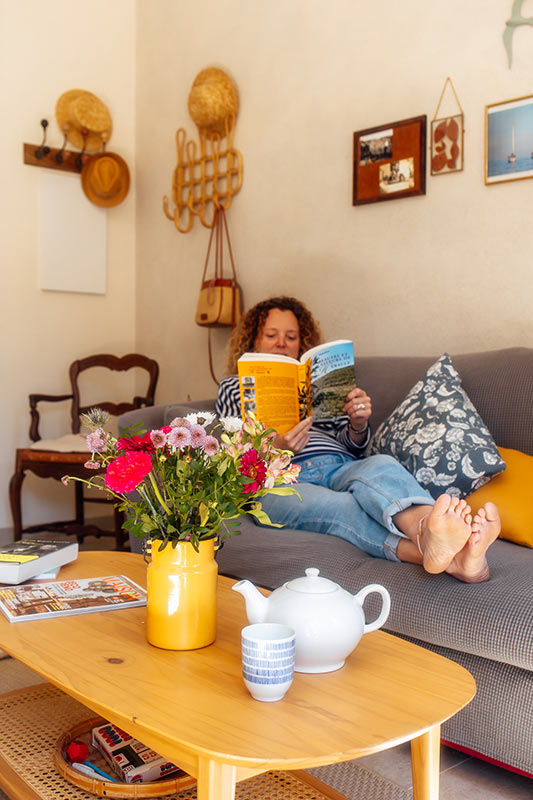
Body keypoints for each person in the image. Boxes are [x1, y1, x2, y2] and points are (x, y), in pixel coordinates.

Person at [217, 296, 501, 583]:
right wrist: (276, 446)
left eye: (291, 337)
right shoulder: (232, 387)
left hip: (339, 464)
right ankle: (456, 559)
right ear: (254, 340)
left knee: (381, 465)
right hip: (280, 481)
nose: (281, 343)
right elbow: (232, 451)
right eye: (271, 335)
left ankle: (428, 527)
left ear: (301, 343)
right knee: (343, 506)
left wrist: (358, 423)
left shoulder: (315, 387)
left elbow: (352, 445)